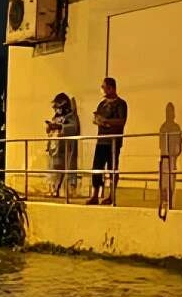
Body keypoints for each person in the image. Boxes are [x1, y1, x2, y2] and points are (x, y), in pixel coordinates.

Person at [88, 77, 128, 205]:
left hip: (113, 142)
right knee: (96, 168)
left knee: (112, 168)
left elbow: (121, 121)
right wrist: (97, 120)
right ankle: (95, 195)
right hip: (101, 141)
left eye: (104, 87)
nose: (103, 90)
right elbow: (99, 118)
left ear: (111, 88)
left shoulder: (121, 104)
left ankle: (111, 195)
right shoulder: (102, 104)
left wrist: (106, 121)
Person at [46, 92, 80, 198]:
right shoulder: (55, 117)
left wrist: (60, 127)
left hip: (67, 148)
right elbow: (51, 133)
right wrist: (49, 128)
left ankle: (70, 191)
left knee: (68, 169)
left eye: (58, 106)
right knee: (55, 169)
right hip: (55, 148)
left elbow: (73, 128)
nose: (56, 109)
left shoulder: (71, 116)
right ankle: (54, 189)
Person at [158, 102, 182, 210]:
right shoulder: (163, 127)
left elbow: (179, 143)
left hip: (172, 157)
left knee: (171, 181)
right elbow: (161, 143)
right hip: (165, 157)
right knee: (164, 181)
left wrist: (175, 153)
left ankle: (170, 202)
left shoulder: (176, 127)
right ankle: (164, 201)